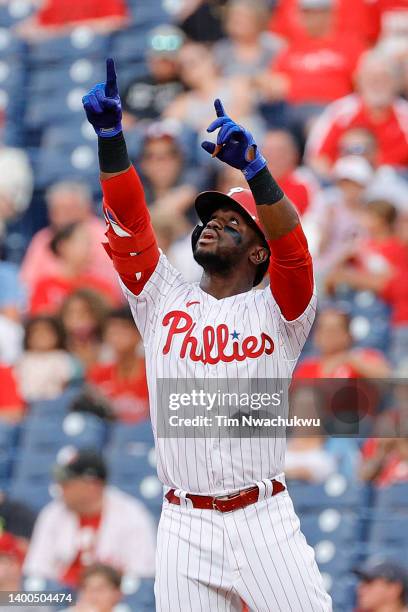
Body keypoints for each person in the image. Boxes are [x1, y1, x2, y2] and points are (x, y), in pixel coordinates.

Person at [82, 59, 331, 611]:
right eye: (209, 217)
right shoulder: (160, 298)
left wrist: (257, 173)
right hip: (183, 524)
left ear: (258, 251)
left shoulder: (281, 310)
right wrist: (112, 143)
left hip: (263, 520)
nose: (212, 222)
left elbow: (296, 251)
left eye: (231, 221)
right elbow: (130, 221)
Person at [23, 449, 156, 588]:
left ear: (92, 485)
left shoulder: (132, 515)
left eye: (67, 482)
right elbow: (36, 571)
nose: (60, 487)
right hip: (61, 600)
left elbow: (141, 575)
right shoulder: (52, 513)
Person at [306, 50, 408, 177]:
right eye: (371, 77)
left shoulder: (404, 116)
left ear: (396, 82)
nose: (377, 83)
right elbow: (317, 159)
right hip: (344, 183)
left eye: (384, 77)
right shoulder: (340, 113)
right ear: (358, 81)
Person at [258, 0, 365, 116]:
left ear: (329, 14)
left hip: (334, 109)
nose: (307, 17)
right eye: (305, 12)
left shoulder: (350, 45)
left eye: (314, 12)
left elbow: (361, 81)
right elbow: (274, 80)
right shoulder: (293, 47)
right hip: (293, 110)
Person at [20, 180, 121, 302]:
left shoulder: (104, 235)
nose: (62, 216)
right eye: (56, 210)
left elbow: (114, 285)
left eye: (68, 209)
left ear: (86, 209)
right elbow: (27, 284)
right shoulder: (43, 238)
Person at [29, 222, 119, 314]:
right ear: (63, 246)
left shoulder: (101, 287)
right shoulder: (44, 287)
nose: (89, 249)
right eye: (83, 242)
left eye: (89, 244)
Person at [88, 307, 149, 423]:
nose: (116, 335)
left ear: (139, 333)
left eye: (123, 328)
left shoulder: (154, 372)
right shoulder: (97, 373)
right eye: (111, 330)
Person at [295, 308, 390, 379]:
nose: (327, 335)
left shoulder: (362, 357)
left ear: (347, 335)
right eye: (322, 329)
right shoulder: (306, 367)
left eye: (333, 330)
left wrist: (347, 359)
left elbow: (386, 376)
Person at [121, 25, 185, 128]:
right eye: (157, 59)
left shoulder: (184, 85)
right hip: (134, 133)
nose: (161, 65)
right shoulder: (136, 83)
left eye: (166, 61)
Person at [15, 315, 80, 402]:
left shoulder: (62, 358)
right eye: (36, 332)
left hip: (56, 402)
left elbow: (67, 382)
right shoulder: (23, 360)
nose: (41, 335)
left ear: (58, 335)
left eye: (47, 332)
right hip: (28, 404)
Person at [213, 0, 283, 78]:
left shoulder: (274, 46)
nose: (237, 20)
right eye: (233, 16)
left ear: (258, 19)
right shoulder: (221, 49)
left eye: (243, 17)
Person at [262, 129, 318, 216]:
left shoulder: (304, 182)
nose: (273, 157)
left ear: (294, 155)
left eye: (279, 152)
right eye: (268, 152)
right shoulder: (250, 183)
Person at [16, 0, 128, 40]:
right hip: (57, 59)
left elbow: (118, 21)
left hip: (96, 56)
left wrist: (70, 28)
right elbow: (27, 30)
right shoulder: (56, 2)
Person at [60, 289, 108, 372]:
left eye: (84, 312)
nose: (76, 318)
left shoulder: (108, 347)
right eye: (70, 312)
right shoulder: (58, 347)